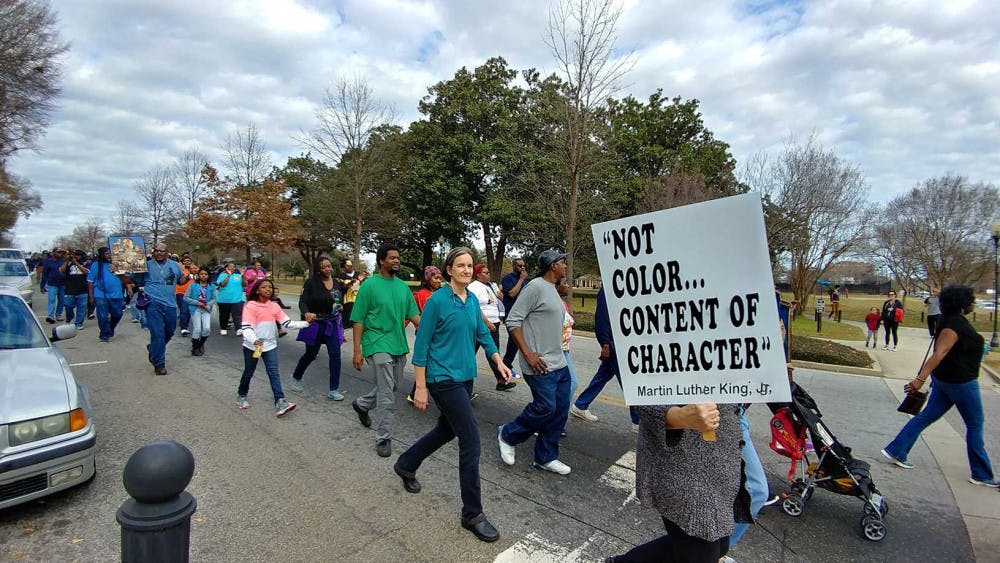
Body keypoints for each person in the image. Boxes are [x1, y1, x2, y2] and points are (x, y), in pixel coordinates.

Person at [394, 247, 512, 543]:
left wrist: (498, 360)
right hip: (442, 378)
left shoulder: (470, 299)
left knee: (446, 430)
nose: (466, 269)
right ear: (449, 270)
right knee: (470, 438)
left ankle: (406, 464)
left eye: (470, 265)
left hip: (464, 377)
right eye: (460, 265)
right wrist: (420, 386)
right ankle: (472, 514)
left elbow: (483, 335)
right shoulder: (437, 301)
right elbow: (421, 344)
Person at [881, 285, 998, 487]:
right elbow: (940, 353)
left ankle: (897, 450)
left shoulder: (953, 321)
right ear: (962, 303)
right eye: (971, 300)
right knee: (975, 424)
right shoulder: (953, 325)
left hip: (946, 381)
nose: (974, 303)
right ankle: (981, 474)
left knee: (926, 416)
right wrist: (920, 379)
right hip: (960, 383)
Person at [604, 402, 750, 562]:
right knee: (703, 551)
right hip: (682, 463)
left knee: (718, 547)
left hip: (721, 461)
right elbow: (640, 392)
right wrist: (678, 416)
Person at [497, 249, 574, 476]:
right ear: (552, 266)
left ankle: (546, 457)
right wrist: (528, 353)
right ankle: (507, 434)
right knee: (545, 407)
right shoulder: (535, 287)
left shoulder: (552, 289)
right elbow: (513, 320)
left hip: (559, 363)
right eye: (562, 263)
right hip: (539, 364)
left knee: (559, 411)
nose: (565, 266)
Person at [350, 243, 420, 458]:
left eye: (398, 257)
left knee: (392, 386)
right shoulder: (369, 286)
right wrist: (357, 351)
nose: (396, 261)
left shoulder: (402, 287)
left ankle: (362, 405)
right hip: (376, 341)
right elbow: (358, 319)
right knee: (387, 394)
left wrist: (434, 328)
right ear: (382, 261)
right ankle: (384, 438)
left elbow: (415, 315)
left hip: (398, 344)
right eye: (392, 258)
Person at [569, 286, 639, 430]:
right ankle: (638, 421)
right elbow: (602, 317)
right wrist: (605, 343)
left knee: (603, 375)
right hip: (615, 343)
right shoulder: (609, 287)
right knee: (630, 382)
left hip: (622, 341)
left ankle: (580, 405)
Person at [236, 279, 308, 416]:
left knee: (274, 372)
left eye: (270, 287)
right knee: (249, 372)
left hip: (270, 346)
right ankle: (241, 395)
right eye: (264, 287)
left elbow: (287, 323)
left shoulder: (274, 306)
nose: (268, 289)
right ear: (257, 290)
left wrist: (306, 323)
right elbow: (246, 328)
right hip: (254, 346)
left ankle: (280, 401)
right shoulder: (251, 306)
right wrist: (256, 341)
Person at [291, 257, 346, 401]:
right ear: (318, 269)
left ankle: (333, 390)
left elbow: (340, 301)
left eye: (329, 266)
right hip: (316, 323)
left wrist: (340, 307)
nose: (328, 269)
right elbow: (302, 302)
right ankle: (297, 376)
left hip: (332, 323)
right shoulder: (311, 283)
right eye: (324, 267)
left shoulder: (337, 284)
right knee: (311, 355)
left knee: (335, 355)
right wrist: (306, 313)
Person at [135, 242, 185, 375]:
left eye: (162, 251)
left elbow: (181, 281)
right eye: (156, 251)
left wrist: (188, 275)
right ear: (153, 252)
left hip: (170, 304)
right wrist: (118, 272)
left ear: (167, 252)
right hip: (152, 303)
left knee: (169, 331)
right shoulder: (145, 265)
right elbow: (130, 280)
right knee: (158, 333)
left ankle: (153, 348)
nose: (159, 253)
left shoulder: (175, 265)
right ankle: (159, 364)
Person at [469, 264, 516, 392]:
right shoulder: (473, 287)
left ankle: (501, 380)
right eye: (485, 272)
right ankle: (461, 380)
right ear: (478, 274)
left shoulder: (490, 286)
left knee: (493, 351)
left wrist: (499, 294)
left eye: (489, 272)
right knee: (470, 351)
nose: (488, 274)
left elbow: (498, 301)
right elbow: (474, 307)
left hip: (494, 322)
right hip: (481, 323)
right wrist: (486, 322)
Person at [407, 266, 444, 404]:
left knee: (432, 363)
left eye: (440, 278)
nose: (439, 281)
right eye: (435, 278)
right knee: (427, 363)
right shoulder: (421, 294)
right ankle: (417, 392)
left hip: (440, 333)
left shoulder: (443, 293)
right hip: (426, 332)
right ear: (428, 279)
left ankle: (416, 392)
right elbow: (411, 313)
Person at [87, 247, 125, 343]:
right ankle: (104, 335)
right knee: (103, 316)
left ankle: (110, 328)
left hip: (117, 293)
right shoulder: (96, 265)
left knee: (118, 314)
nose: (109, 256)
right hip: (100, 294)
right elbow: (90, 281)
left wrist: (128, 287)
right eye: (107, 254)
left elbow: (124, 278)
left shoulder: (117, 264)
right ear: (102, 255)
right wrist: (91, 296)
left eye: (110, 254)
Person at [500, 257, 529, 374]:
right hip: (511, 315)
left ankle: (506, 365)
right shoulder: (508, 279)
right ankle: (506, 366)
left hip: (522, 315)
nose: (522, 268)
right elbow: (512, 294)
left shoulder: (526, 282)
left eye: (523, 266)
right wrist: (521, 280)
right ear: (513, 266)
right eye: (519, 266)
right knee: (514, 341)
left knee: (516, 342)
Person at [184, 268, 216, 356]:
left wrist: (208, 305)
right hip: (195, 309)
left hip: (206, 309)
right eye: (201, 274)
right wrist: (197, 302)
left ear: (208, 276)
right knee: (197, 329)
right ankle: (194, 347)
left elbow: (214, 298)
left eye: (205, 274)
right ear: (198, 275)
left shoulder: (211, 286)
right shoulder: (193, 285)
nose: (203, 276)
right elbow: (186, 297)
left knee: (206, 329)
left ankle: (200, 344)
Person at [61, 249, 91, 330]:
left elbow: (86, 272)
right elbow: (61, 270)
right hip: (70, 289)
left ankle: (78, 323)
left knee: (82, 308)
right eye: (75, 255)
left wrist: (76, 263)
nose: (76, 256)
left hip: (82, 290)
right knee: (68, 306)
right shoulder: (68, 263)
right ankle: (69, 319)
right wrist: (67, 261)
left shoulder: (85, 263)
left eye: (78, 255)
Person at [216, 259, 245, 336]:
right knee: (224, 315)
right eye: (230, 267)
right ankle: (223, 328)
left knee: (237, 315)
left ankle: (238, 329)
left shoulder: (238, 276)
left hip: (237, 299)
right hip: (224, 300)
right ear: (226, 268)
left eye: (233, 267)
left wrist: (243, 276)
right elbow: (222, 284)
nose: (232, 268)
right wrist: (228, 275)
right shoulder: (222, 275)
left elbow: (244, 284)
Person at [40, 248, 67, 323]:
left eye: (61, 252)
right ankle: (50, 316)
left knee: (61, 300)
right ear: (53, 253)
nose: (60, 253)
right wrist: (42, 286)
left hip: (62, 283)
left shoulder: (64, 261)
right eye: (58, 252)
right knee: (51, 300)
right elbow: (44, 274)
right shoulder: (48, 262)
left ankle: (58, 315)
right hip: (52, 284)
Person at [337, 258, 363, 334]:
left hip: (358, 300)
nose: (350, 267)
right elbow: (341, 287)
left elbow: (364, 285)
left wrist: (362, 281)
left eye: (351, 265)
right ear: (344, 267)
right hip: (347, 300)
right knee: (346, 319)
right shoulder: (341, 276)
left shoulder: (358, 274)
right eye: (348, 266)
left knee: (357, 320)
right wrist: (350, 283)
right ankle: (343, 335)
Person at [175, 256, 195, 336]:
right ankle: (183, 328)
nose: (187, 262)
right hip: (181, 292)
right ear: (182, 262)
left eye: (189, 261)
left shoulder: (194, 269)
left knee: (188, 311)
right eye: (185, 261)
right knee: (184, 310)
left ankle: (185, 326)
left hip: (192, 294)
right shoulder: (180, 269)